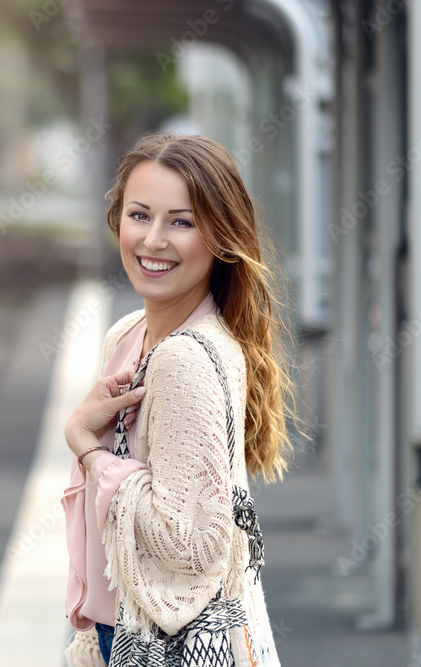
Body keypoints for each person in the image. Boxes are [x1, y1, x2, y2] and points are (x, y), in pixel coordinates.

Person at [61, 132, 294, 666]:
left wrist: (88, 449)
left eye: (181, 222)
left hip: (164, 646)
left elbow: (190, 543)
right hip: (120, 634)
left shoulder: (184, 358)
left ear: (220, 238)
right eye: (140, 215)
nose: (153, 240)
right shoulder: (128, 336)